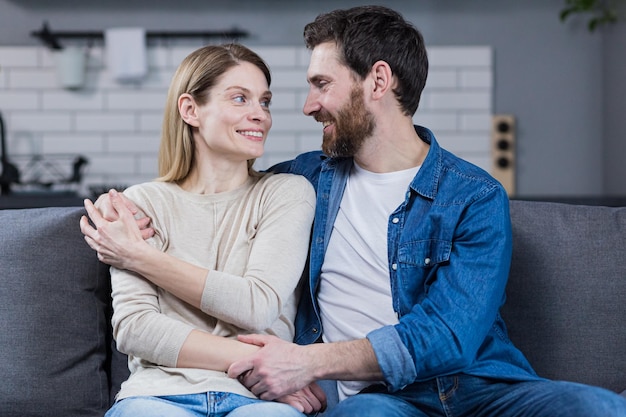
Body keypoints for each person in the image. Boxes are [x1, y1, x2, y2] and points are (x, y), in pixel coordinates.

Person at [92, 6, 626, 417]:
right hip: (377, 397)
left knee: (601, 408)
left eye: (320, 84)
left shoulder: (473, 195)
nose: (305, 106)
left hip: (481, 385)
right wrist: (129, 214)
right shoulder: (303, 181)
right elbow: (218, 181)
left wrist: (306, 361)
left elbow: (449, 336)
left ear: (377, 81)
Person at [79, 43, 326, 417]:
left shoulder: (286, 193)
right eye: (240, 99)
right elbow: (134, 329)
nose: (260, 114)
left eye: (265, 101)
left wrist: (140, 256)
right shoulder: (142, 203)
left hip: (258, 401)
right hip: (156, 396)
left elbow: (256, 305)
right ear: (190, 110)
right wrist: (264, 362)